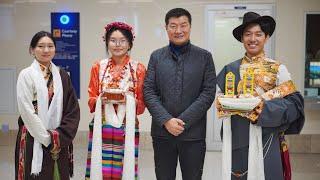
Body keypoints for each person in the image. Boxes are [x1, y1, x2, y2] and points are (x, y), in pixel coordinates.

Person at [216, 12, 305, 180]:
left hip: (268, 139)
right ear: (242, 38)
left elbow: (295, 106)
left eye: (258, 34)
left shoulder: (278, 69)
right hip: (238, 140)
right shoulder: (230, 69)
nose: (253, 39)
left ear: (267, 37)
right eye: (248, 34)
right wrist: (229, 104)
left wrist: (261, 109)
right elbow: (221, 103)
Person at [144, 8, 216, 180]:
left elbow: (208, 93)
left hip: (193, 135)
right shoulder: (156, 57)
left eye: (183, 25)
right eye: (173, 26)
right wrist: (166, 120)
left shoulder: (204, 57)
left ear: (190, 27)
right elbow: (148, 90)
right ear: (166, 28)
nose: (178, 30)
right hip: (162, 133)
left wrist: (183, 122)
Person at [15, 31, 80, 180]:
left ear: (55, 49)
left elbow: (72, 109)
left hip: (59, 139)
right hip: (33, 137)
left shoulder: (62, 75)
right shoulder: (26, 75)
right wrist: (47, 139)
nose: (46, 50)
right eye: (40, 46)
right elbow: (26, 111)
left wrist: (59, 137)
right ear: (32, 50)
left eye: (50, 46)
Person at [85, 22, 146, 180]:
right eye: (113, 40)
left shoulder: (138, 68)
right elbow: (91, 100)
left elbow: (141, 106)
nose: (117, 45)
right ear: (106, 42)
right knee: (101, 166)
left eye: (122, 40)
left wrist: (128, 100)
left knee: (125, 167)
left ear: (130, 43)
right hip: (102, 125)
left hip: (128, 126)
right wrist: (101, 99)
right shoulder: (98, 67)